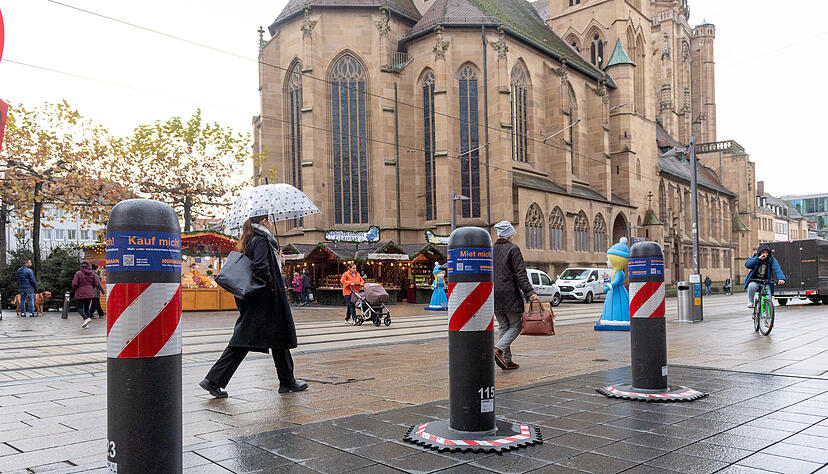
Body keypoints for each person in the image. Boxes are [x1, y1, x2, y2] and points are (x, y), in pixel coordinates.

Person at [199, 213, 307, 398]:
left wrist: (277, 263)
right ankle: (213, 380)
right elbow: (260, 268)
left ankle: (287, 381)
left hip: (259, 299)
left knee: (278, 338)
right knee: (243, 340)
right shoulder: (262, 240)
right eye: (270, 220)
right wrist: (272, 285)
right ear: (264, 221)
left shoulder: (252, 239)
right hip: (265, 300)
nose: (272, 223)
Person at [492, 220, 539, 371]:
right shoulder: (513, 249)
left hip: (494, 293)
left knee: (504, 326)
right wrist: (530, 292)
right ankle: (498, 349)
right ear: (509, 234)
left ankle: (507, 359)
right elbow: (520, 274)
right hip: (509, 293)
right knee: (516, 325)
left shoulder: (491, 249)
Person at [744, 244, 786, 308]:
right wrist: (758, 259)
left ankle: (767, 317)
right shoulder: (755, 258)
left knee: (768, 300)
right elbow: (747, 265)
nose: (765, 254)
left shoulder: (771, 260)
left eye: (766, 252)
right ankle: (751, 301)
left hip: (766, 283)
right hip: (755, 281)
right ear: (759, 253)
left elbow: (777, 268)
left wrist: (781, 278)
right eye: (763, 252)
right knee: (751, 286)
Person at [72, 260, 104, 329]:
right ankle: (86, 324)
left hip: (80, 293)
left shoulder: (78, 273)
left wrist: (76, 289)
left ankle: (86, 319)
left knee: (80, 308)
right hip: (89, 293)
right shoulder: (92, 274)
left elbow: (74, 283)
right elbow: (95, 283)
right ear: (88, 266)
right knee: (86, 308)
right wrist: (90, 288)